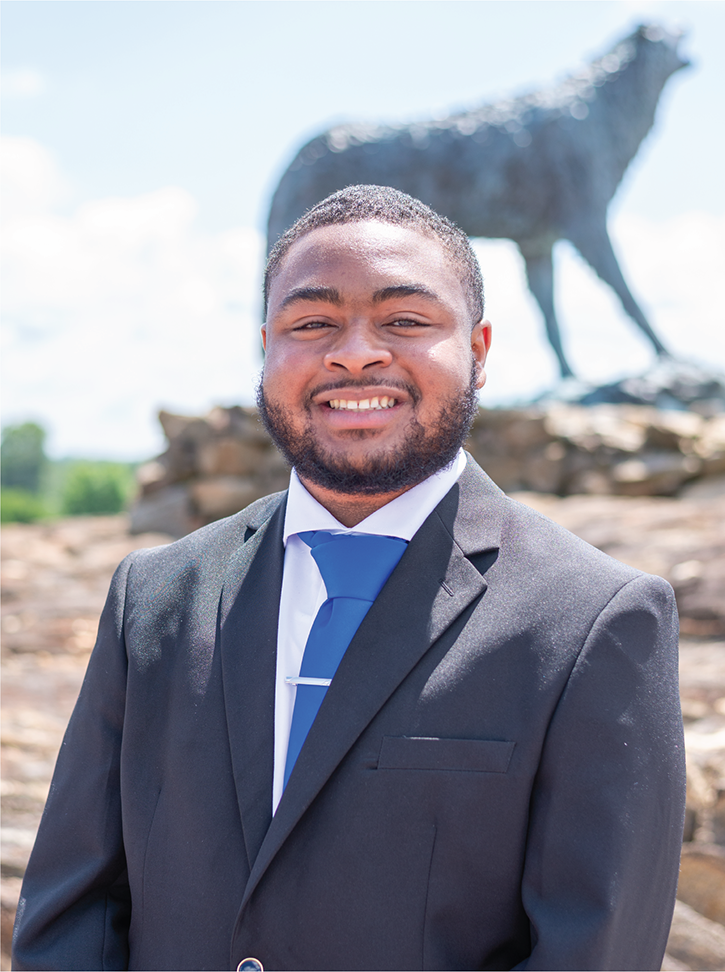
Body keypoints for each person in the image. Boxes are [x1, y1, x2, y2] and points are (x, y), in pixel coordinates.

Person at [13, 185, 685, 972]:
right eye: (312, 323)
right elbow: (73, 915)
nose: (355, 352)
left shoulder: (595, 621)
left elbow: (589, 955)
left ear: (477, 350)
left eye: (405, 320)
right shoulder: (154, 597)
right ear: (266, 344)